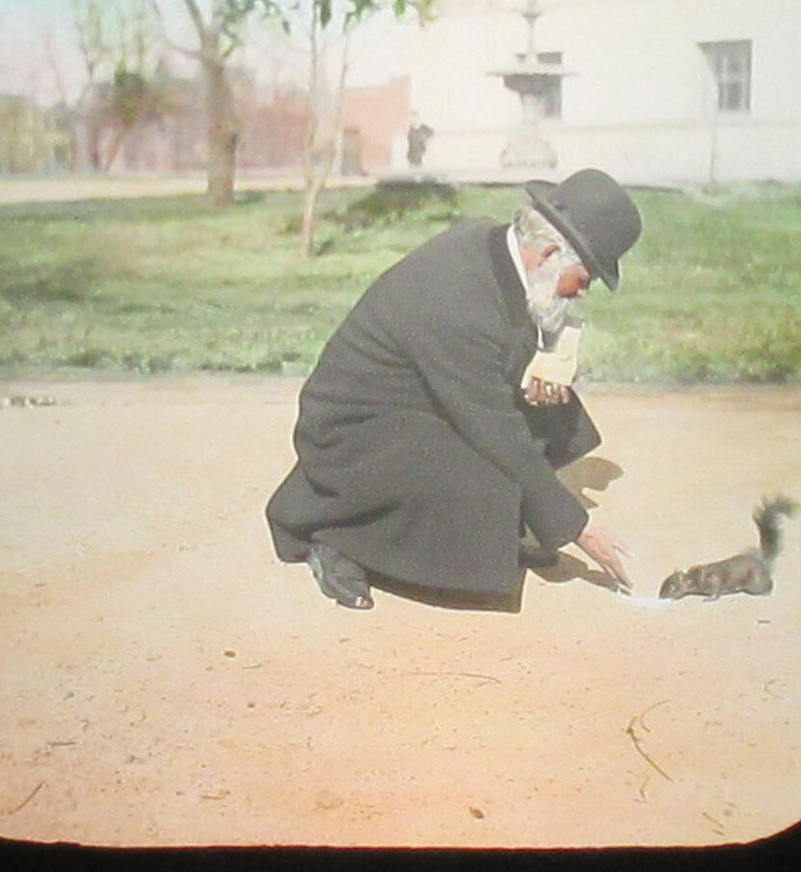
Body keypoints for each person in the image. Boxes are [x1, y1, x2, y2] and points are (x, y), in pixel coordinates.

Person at [266, 167, 642, 611]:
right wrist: (577, 527)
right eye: (585, 279)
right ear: (550, 253)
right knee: (489, 479)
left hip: (415, 400)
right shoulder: (455, 297)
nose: (581, 293)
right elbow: (494, 428)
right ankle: (337, 536)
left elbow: (499, 349)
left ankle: (492, 529)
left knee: (551, 416)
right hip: (353, 438)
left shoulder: (498, 247)